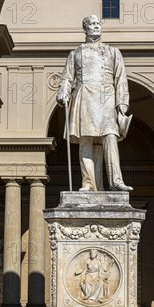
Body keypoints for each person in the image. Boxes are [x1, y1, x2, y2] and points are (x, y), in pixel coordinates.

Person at [56, 15, 133, 192]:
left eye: (98, 23)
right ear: (85, 29)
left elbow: (121, 79)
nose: (96, 26)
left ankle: (116, 181)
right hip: (83, 97)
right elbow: (67, 78)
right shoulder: (75, 53)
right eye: (92, 24)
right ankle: (88, 183)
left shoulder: (113, 52)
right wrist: (63, 92)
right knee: (86, 141)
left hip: (107, 98)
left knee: (110, 137)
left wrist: (122, 104)